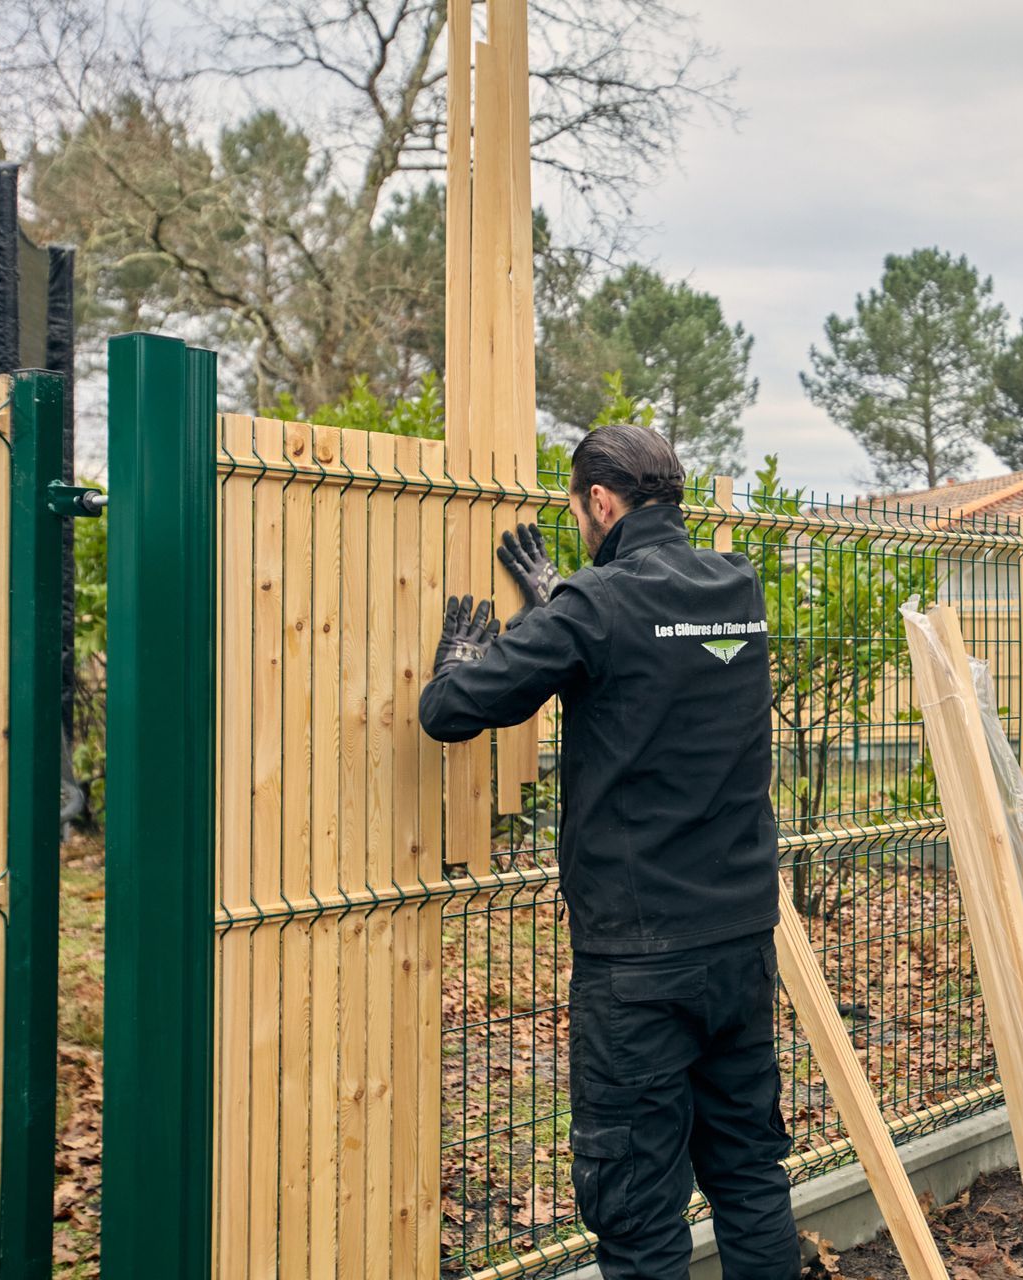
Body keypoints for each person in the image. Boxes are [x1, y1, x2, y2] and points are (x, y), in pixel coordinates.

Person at [420, 424, 798, 1278]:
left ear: (600, 502)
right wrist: (565, 601)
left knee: (636, 1206)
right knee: (748, 1174)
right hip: (739, 940)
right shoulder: (736, 585)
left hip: (638, 963)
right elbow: (653, 658)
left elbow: (450, 711)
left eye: (577, 510)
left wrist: (467, 655)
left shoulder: (597, 606)